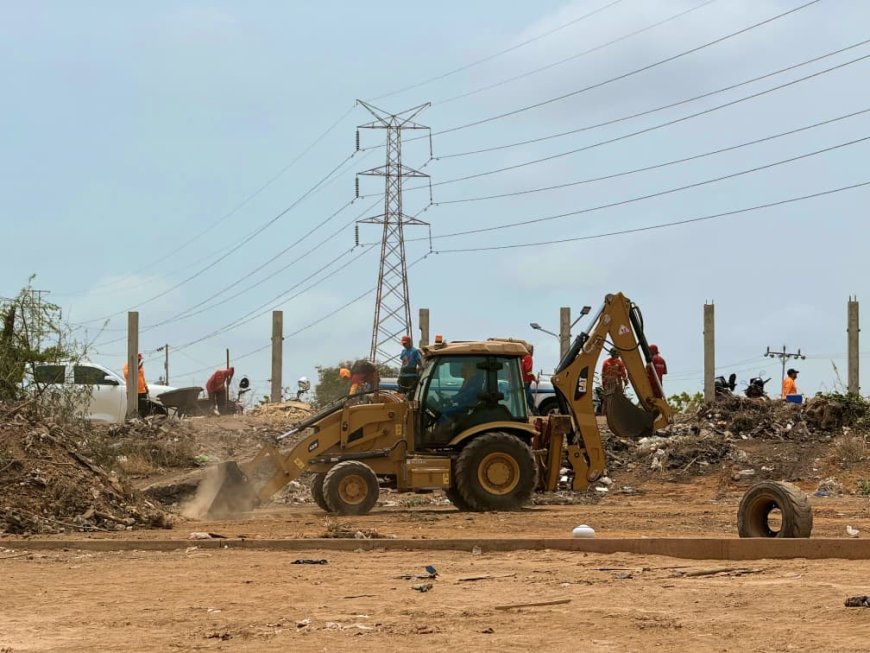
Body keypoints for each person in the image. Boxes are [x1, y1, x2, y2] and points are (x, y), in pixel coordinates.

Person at [521, 344, 537, 415]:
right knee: (527, 399)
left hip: (522, 381)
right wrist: (534, 378)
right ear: (530, 350)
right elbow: (528, 370)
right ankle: (535, 413)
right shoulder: (528, 357)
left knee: (529, 399)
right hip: (526, 381)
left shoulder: (522, 357)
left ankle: (535, 412)